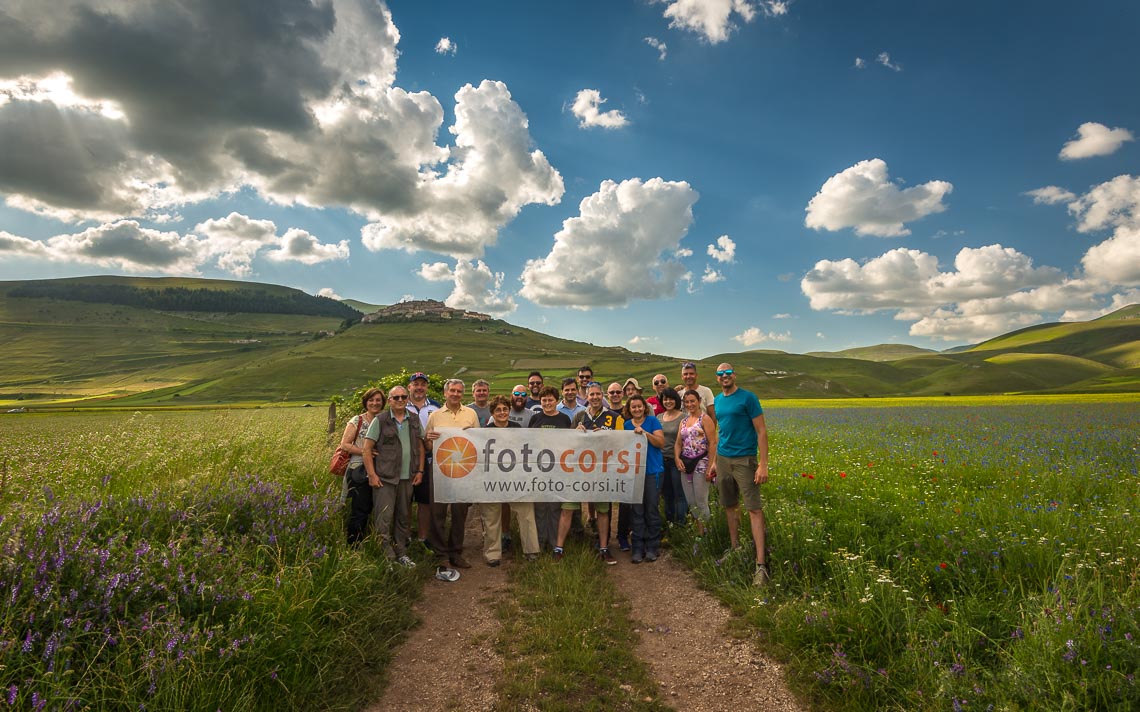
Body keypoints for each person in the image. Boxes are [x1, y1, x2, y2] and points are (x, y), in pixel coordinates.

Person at [709, 362, 771, 586]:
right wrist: (715, 462)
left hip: (745, 459)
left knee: (754, 508)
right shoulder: (717, 400)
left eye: (727, 372)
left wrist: (762, 464)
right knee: (729, 505)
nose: (724, 376)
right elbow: (720, 432)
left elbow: (762, 431)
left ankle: (761, 565)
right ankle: (735, 548)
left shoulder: (748, 398)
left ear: (734, 375)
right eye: (720, 373)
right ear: (717, 378)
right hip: (724, 459)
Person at [362, 385, 424, 567]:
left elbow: (420, 446)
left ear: (408, 399)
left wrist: (420, 471)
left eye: (404, 397)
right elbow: (366, 450)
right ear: (389, 401)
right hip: (385, 478)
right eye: (395, 397)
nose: (400, 400)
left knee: (403, 518)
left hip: (408, 478)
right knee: (384, 518)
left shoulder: (413, 419)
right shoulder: (380, 420)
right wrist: (372, 475)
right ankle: (386, 557)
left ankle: (401, 553)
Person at [425, 378, 480, 572]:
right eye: (452, 391)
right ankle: (440, 554)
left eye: (459, 391)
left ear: (462, 394)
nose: (455, 394)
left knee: (459, 513)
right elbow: (428, 445)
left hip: (463, 471)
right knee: (437, 512)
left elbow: (478, 443)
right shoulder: (435, 416)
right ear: (445, 393)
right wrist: (429, 440)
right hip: (440, 470)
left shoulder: (471, 414)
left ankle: (456, 552)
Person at [479, 395, 541, 565]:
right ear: (492, 413)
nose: (502, 412)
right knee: (491, 516)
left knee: (526, 513)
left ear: (509, 410)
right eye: (498, 410)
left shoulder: (519, 429)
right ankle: (493, 554)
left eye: (505, 409)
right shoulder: (484, 433)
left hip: (516, 480)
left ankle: (531, 550)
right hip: (492, 481)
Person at [568, 382, 623, 564]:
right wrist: (575, 433)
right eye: (591, 395)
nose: (595, 398)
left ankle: (604, 547)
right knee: (572, 506)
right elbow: (568, 444)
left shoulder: (614, 418)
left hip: (603, 471)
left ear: (602, 396)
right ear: (587, 397)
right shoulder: (579, 416)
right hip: (581, 471)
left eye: (598, 394)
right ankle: (570, 544)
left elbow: (623, 444)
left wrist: (609, 437)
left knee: (603, 509)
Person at [527, 385, 572, 552]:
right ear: (540, 401)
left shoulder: (564, 419)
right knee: (539, 507)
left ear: (556, 401)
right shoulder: (535, 419)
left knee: (554, 507)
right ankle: (539, 542)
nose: (547, 403)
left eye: (550, 400)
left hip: (558, 470)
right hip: (539, 470)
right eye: (544, 400)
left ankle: (554, 543)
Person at [341, 387, 385, 545]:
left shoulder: (385, 419)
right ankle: (354, 545)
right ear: (365, 402)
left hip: (380, 468)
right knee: (360, 509)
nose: (374, 403)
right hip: (359, 469)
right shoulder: (357, 420)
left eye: (378, 400)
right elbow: (345, 444)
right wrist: (365, 451)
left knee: (377, 508)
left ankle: (374, 541)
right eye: (371, 400)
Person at [623, 395, 664, 563]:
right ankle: (637, 547)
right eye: (633, 407)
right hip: (634, 473)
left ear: (644, 407)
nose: (637, 409)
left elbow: (660, 442)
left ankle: (653, 546)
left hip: (652, 471)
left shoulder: (653, 422)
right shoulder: (626, 425)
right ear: (629, 409)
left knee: (651, 509)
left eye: (639, 406)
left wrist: (645, 434)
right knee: (637, 511)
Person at [406, 372, 440, 545]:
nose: (419, 387)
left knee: (424, 500)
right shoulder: (400, 403)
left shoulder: (435, 407)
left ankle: (422, 537)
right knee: (404, 499)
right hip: (404, 458)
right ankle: (404, 536)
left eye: (422, 384)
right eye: (415, 384)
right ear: (409, 387)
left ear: (427, 387)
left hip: (427, 458)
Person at [675, 389, 716, 534]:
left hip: (701, 463)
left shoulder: (705, 419)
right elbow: (678, 443)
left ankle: (708, 534)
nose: (690, 404)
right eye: (687, 402)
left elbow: (712, 443)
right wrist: (677, 458)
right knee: (691, 502)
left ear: (699, 401)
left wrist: (711, 466)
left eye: (692, 401)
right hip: (686, 463)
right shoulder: (683, 421)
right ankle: (700, 532)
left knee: (701, 501)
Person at [656, 387, 687, 526]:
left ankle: (681, 524)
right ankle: (669, 524)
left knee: (679, 495)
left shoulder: (683, 417)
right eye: (665, 399)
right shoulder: (659, 417)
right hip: (661, 461)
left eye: (671, 398)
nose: (668, 401)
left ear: (676, 400)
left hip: (677, 461)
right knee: (667, 495)